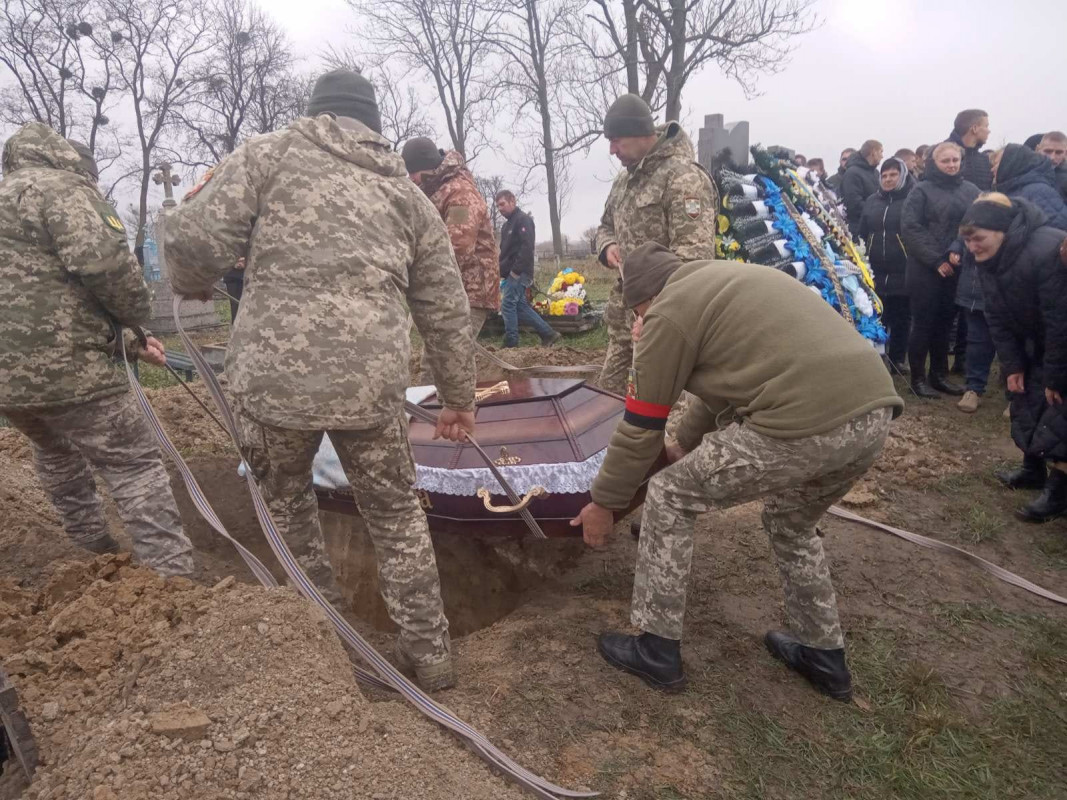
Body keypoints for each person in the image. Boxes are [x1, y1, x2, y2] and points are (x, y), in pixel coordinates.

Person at [164, 69, 477, 691]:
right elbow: (447, 309)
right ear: (375, 125)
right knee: (395, 518)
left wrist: (188, 275)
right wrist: (459, 400)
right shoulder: (407, 196)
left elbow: (195, 242)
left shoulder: (266, 156)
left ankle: (330, 644)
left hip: (272, 388)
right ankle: (432, 657)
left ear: (316, 111)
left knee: (287, 510)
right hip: (372, 388)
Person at [569, 242, 902, 699]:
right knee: (791, 522)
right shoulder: (721, 282)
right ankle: (823, 655)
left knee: (669, 495)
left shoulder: (664, 314)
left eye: (636, 312)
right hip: (872, 415)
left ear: (641, 301)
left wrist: (604, 503)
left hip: (800, 423)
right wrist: (684, 445)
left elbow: (641, 425)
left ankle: (656, 648)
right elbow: (722, 386)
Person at [0, 124, 194, 576]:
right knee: (134, 465)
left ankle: (91, 546)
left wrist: (132, 344)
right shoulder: (63, 190)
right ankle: (176, 581)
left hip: (9, 385)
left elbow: (38, 303)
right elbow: (106, 268)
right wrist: (137, 318)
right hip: (75, 374)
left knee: (55, 451)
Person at [595, 93, 718, 394]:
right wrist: (608, 245)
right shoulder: (623, 182)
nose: (611, 150)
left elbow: (694, 259)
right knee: (606, 397)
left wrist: (656, 312)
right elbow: (605, 225)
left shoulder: (682, 177)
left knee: (652, 404)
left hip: (659, 320)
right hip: (625, 317)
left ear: (640, 134)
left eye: (616, 140)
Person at [960, 194, 1067, 522]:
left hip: (1058, 341)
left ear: (1002, 229)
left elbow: (1058, 318)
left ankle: (1058, 491)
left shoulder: (1046, 250)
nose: (972, 247)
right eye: (966, 241)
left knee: (1061, 409)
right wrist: (1012, 364)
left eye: (978, 239)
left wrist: (1055, 375)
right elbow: (996, 316)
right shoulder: (989, 258)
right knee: (1025, 399)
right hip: (1029, 342)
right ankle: (1032, 469)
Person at [402, 137, 500, 378]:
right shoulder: (435, 190)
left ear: (428, 167)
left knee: (441, 363)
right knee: (444, 358)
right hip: (451, 288)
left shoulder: (460, 193)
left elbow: (457, 246)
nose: (411, 178)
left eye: (414, 172)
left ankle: (435, 411)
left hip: (471, 291)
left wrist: (415, 273)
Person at [901, 141, 981, 398]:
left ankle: (939, 375)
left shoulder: (971, 190)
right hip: (925, 268)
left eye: (955, 160)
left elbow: (974, 222)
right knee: (923, 324)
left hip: (957, 265)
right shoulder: (920, 191)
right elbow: (911, 228)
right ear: (934, 163)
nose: (951, 165)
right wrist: (937, 260)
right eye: (945, 161)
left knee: (945, 324)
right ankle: (918, 378)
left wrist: (959, 249)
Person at [859, 157, 914, 374]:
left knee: (901, 318)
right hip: (875, 269)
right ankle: (878, 358)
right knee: (879, 314)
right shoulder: (873, 200)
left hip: (903, 267)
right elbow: (864, 230)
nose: (889, 179)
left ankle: (898, 358)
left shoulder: (912, 198)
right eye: (885, 175)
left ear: (902, 176)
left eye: (893, 174)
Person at [495, 189, 558, 348]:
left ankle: (511, 342)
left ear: (512, 201)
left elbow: (526, 247)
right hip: (510, 273)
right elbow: (505, 252)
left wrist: (516, 271)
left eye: (502, 204)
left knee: (508, 305)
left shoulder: (523, 220)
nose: (500, 208)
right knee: (520, 306)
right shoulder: (506, 226)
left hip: (519, 272)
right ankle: (548, 334)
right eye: (498, 206)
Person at [992, 143, 1067, 230]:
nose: (992, 168)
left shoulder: (1037, 191)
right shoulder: (1016, 188)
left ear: (1010, 164)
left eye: (996, 164)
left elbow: (1059, 226)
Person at [841, 139, 883, 236]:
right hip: (858, 229)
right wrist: (876, 212)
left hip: (874, 228)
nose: (882, 156)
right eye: (881, 151)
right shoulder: (852, 173)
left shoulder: (876, 173)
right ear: (873, 152)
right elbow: (853, 203)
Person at [948, 109, 992, 190]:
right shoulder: (941, 156)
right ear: (974, 128)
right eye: (986, 126)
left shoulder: (984, 160)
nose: (989, 131)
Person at [1036, 131, 1067, 202]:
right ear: (1038, 150)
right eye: (1048, 151)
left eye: (1058, 152)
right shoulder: (1026, 174)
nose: (1052, 157)